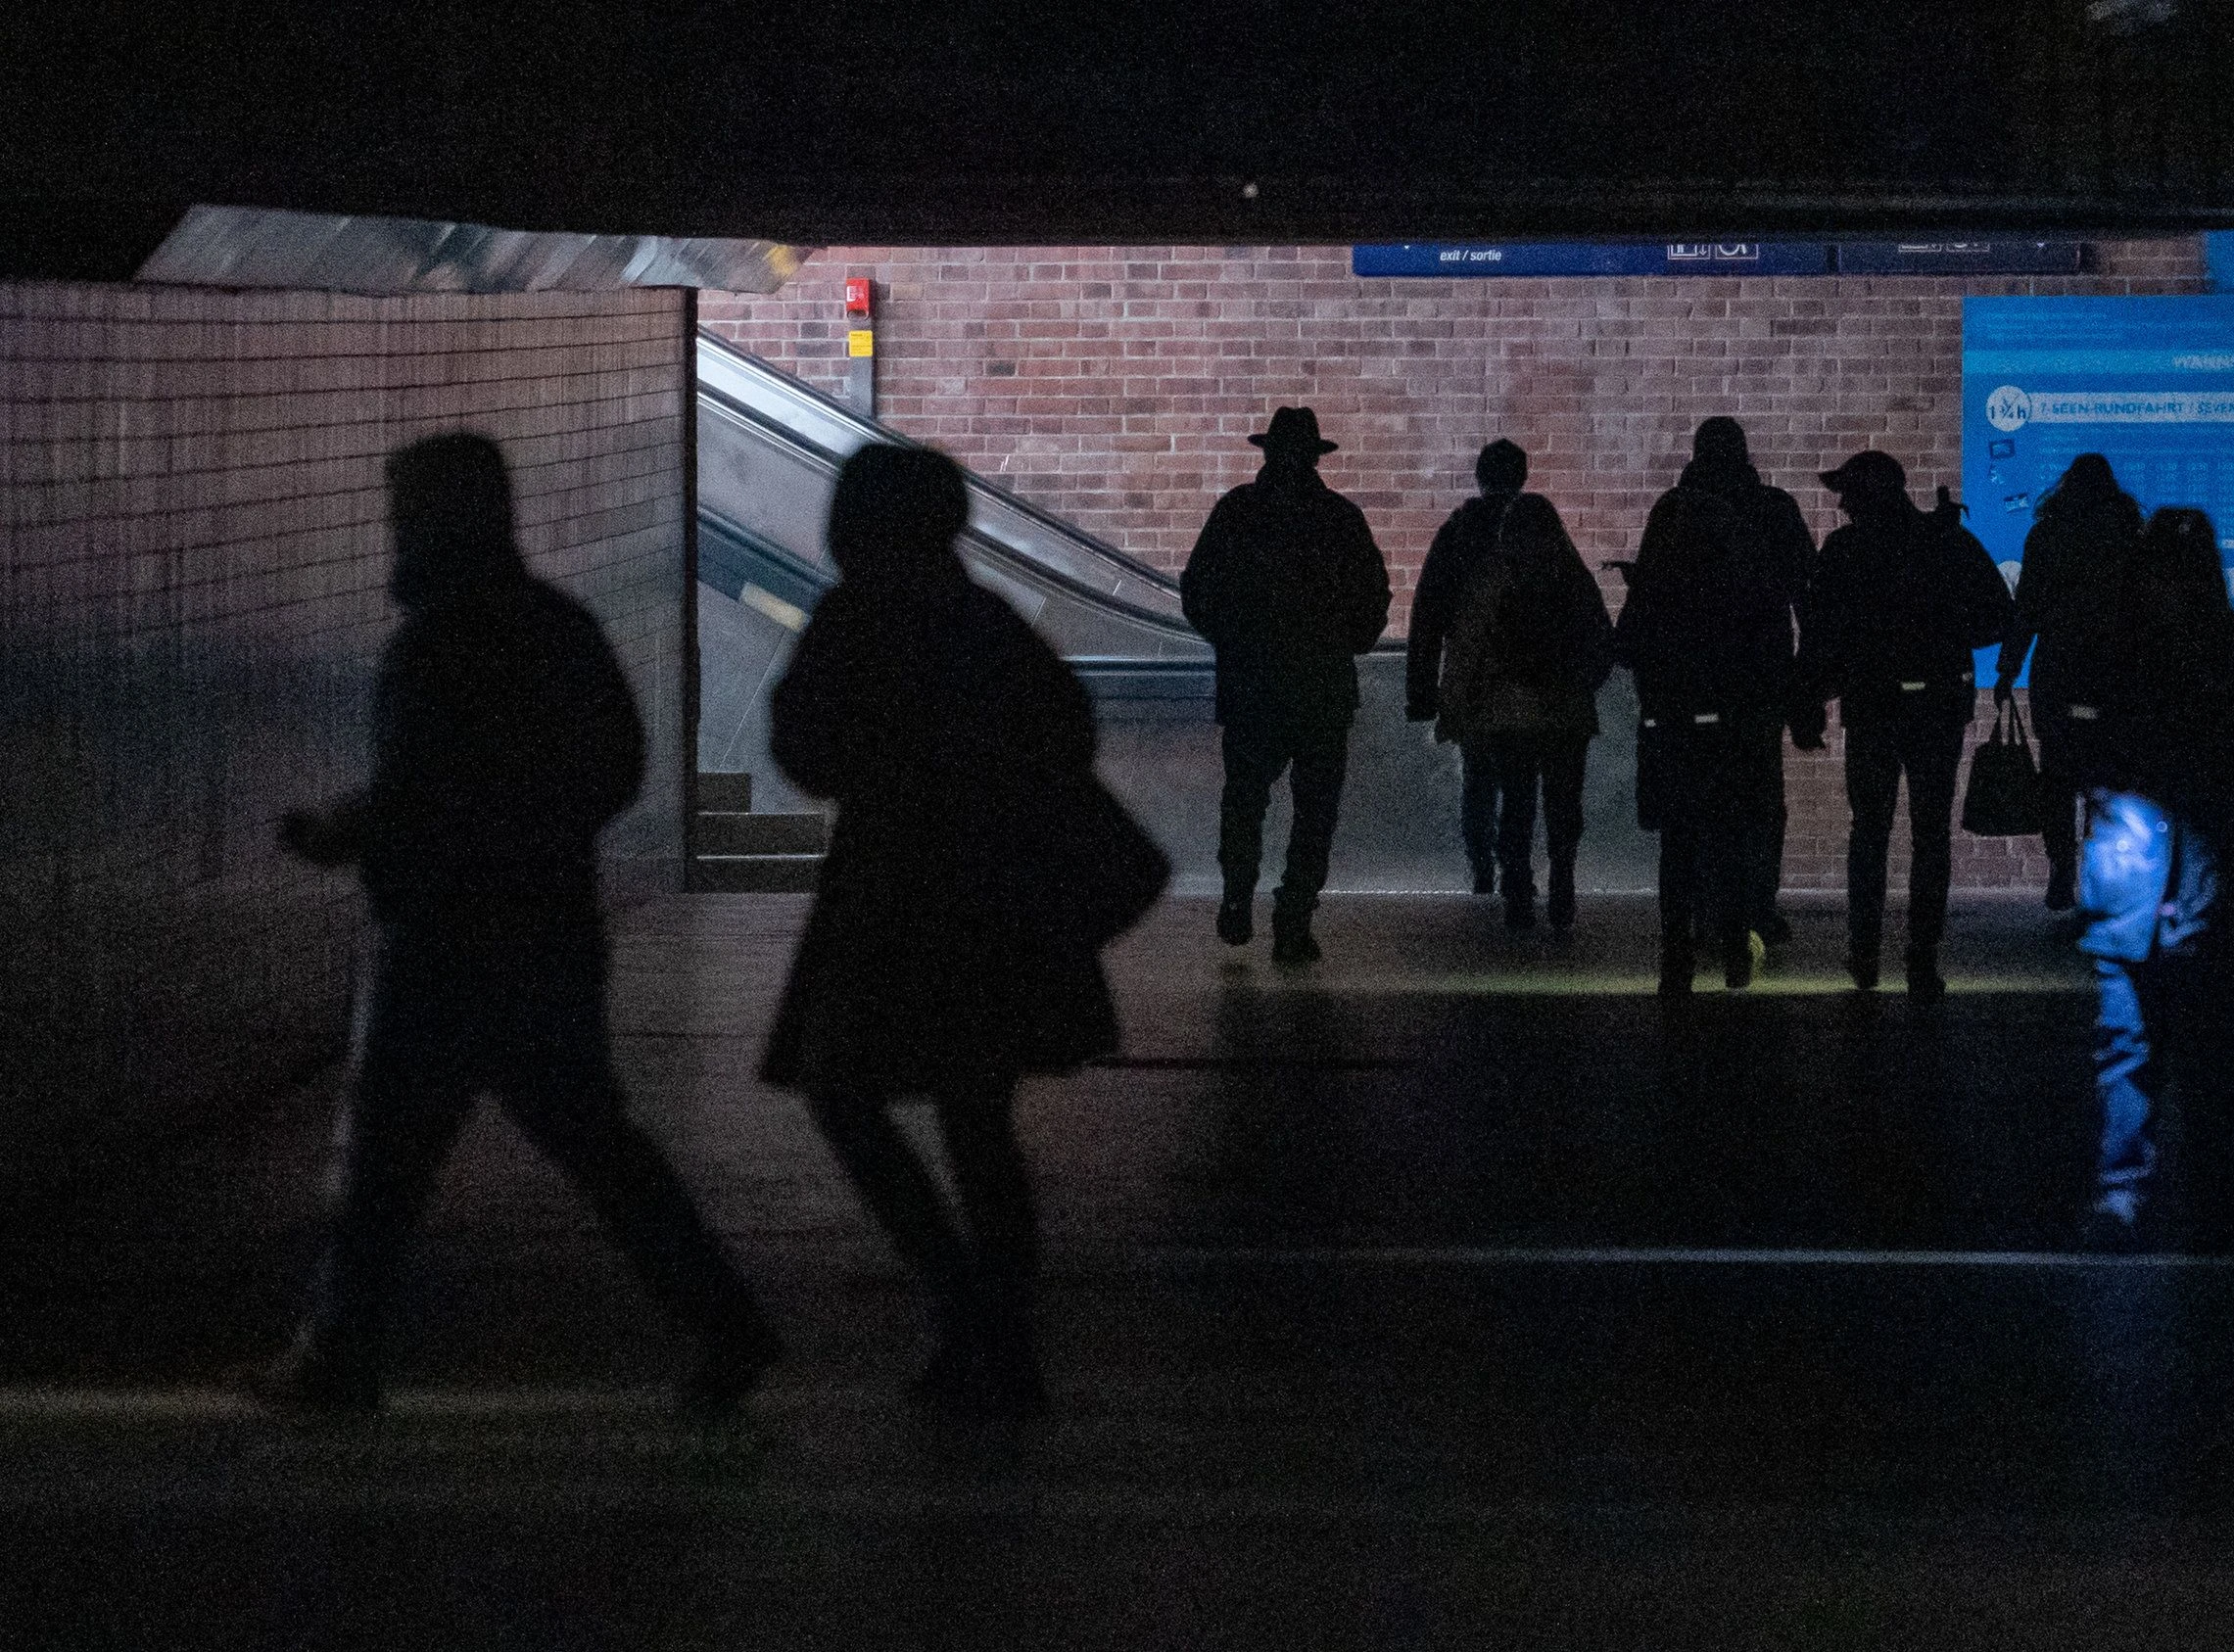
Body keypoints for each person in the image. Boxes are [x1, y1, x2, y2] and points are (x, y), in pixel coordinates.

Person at [261, 433, 780, 1416]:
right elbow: (617, 764)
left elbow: (419, 791)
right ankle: (724, 1321)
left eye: (404, 511)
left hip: (440, 941)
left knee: (382, 1162)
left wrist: (341, 831)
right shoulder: (557, 625)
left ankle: (339, 1355)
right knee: (597, 1142)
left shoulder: (434, 641)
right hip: (545, 927)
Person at [761, 443, 1128, 1418]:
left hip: (888, 894)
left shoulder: (854, 618)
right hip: (994, 902)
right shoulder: (985, 619)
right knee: (981, 1120)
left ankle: (959, 1299)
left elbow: (803, 747)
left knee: (845, 1094)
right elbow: (1069, 732)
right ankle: (1001, 1330)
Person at [2053, 507, 2234, 1252]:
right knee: (2211, 1054)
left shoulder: (2109, 658)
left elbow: (2074, 750)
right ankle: (2214, 1209)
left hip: (2135, 883)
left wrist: (2129, 783)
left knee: (2132, 1048)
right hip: (2223, 880)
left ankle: (2127, 1198)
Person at [1795, 450, 2014, 1001]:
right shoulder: (1946, 541)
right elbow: (1996, 615)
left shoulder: (1846, 550)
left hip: (1871, 705)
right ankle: (1921, 957)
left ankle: (1865, 951)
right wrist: (1941, 631)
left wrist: (1809, 698)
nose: (1841, 503)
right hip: (1937, 705)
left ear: (1869, 494)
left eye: (1848, 492)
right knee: (1930, 833)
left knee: (1869, 830)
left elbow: (1822, 634)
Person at [1182, 406, 1393, 964]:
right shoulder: (1339, 518)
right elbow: (1372, 596)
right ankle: (1294, 917)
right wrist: (1346, 641)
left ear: (1267, 452)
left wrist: (1232, 641)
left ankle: (1236, 898)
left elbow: (1198, 588)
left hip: (1252, 683)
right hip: (1322, 685)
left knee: (1246, 796)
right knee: (1315, 808)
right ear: (1315, 456)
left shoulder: (1237, 513)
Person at [1615, 464, 1800, 994]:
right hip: (1735, 727)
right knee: (1734, 833)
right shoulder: (1750, 578)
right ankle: (1737, 946)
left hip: (1672, 725)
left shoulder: (1660, 579)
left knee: (1679, 842)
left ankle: (1677, 956)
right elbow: (1771, 648)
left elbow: (1628, 647)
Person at [1654, 416, 1816, 956]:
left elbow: (1653, 598)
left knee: (1694, 799)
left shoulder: (1674, 510)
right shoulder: (1774, 509)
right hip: (1760, 677)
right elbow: (1806, 598)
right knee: (1760, 798)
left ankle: (1699, 914)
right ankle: (1756, 908)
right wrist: (1807, 688)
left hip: (1690, 680)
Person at [1432, 492, 1613, 930]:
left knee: (1516, 802)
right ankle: (1563, 882)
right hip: (1567, 712)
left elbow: (1467, 643)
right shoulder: (1572, 575)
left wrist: (1451, 706)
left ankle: (1517, 888)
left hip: (1509, 712)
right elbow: (1602, 644)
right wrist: (1578, 685)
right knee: (1563, 803)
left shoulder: (1494, 575)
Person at [1991, 453, 2145, 911]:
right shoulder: (2130, 538)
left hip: (2058, 669)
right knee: (2108, 777)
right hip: (2113, 672)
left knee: (2057, 776)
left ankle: (2061, 868)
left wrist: (2007, 669)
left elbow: (2028, 611)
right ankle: (2103, 875)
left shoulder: (2047, 535)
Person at [1406, 439, 1528, 895]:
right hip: (1526, 678)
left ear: (1480, 477)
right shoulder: (1534, 532)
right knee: (1520, 777)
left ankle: (1481, 865)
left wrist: (1422, 692)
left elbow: (1427, 617)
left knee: (1479, 776)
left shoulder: (1458, 532)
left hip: (1471, 677)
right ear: (1521, 478)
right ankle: (1516, 866)